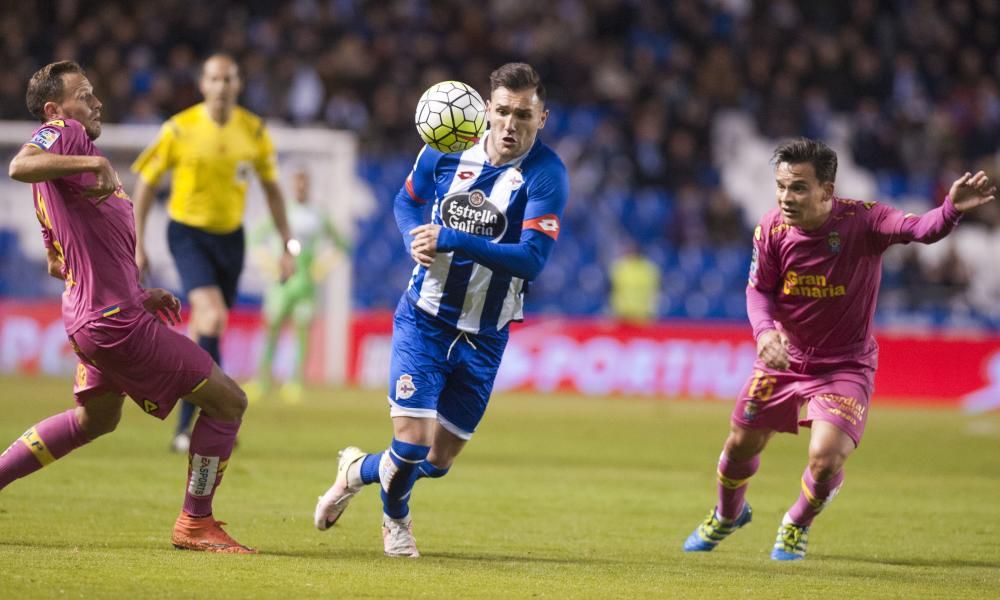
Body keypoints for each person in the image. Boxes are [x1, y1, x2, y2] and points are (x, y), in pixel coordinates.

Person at [682, 138, 995, 561]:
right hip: (784, 360)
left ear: (827, 191)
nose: (786, 198)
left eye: (798, 188)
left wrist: (951, 209)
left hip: (845, 365)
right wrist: (765, 334)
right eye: (781, 186)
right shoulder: (771, 229)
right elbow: (759, 292)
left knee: (825, 459)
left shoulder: (866, 221)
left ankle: (796, 522)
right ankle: (727, 514)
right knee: (740, 444)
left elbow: (922, 230)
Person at [313, 62, 569, 557]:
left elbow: (532, 261)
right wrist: (414, 234)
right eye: (502, 111)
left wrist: (452, 237)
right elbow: (406, 202)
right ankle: (396, 521)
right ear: (487, 109)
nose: (510, 124)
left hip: (486, 334)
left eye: (523, 114)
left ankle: (356, 470)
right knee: (409, 446)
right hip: (425, 319)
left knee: (437, 459)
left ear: (543, 117)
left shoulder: (546, 175)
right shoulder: (448, 146)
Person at [1, 60, 256, 553]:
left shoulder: (54, 188)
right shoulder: (65, 133)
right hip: (114, 325)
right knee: (228, 402)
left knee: (94, 422)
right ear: (55, 110)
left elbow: (64, 265)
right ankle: (195, 523)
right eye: (84, 94)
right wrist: (92, 162)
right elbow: (19, 164)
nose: (96, 102)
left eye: (95, 93)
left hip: (95, 316)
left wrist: (140, 293)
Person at [130, 54, 296, 452]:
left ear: (238, 85)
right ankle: (195, 426)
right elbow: (146, 184)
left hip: (230, 239)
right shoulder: (179, 129)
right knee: (212, 315)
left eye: (229, 79)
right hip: (187, 233)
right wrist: (137, 243)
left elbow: (273, 190)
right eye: (215, 79)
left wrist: (288, 244)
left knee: (209, 328)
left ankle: (198, 424)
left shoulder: (253, 131)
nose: (222, 85)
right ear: (203, 85)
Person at [244, 168, 349, 404]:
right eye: (297, 183)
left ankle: (295, 382)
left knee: (301, 331)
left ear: (308, 185)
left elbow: (342, 244)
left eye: (304, 183)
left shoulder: (318, 215)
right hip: (281, 282)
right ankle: (262, 380)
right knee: (271, 327)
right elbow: (255, 239)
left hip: (305, 283)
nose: (300, 188)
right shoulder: (282, 213)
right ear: (293, 186)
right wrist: (269, 265)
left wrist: (321, 268)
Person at [609, 238, 660, 322]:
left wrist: (651, 311)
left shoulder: (649, 269)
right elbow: (612, 291)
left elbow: (655, 293)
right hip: (622, 316)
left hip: (643, 317)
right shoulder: (619, 267)